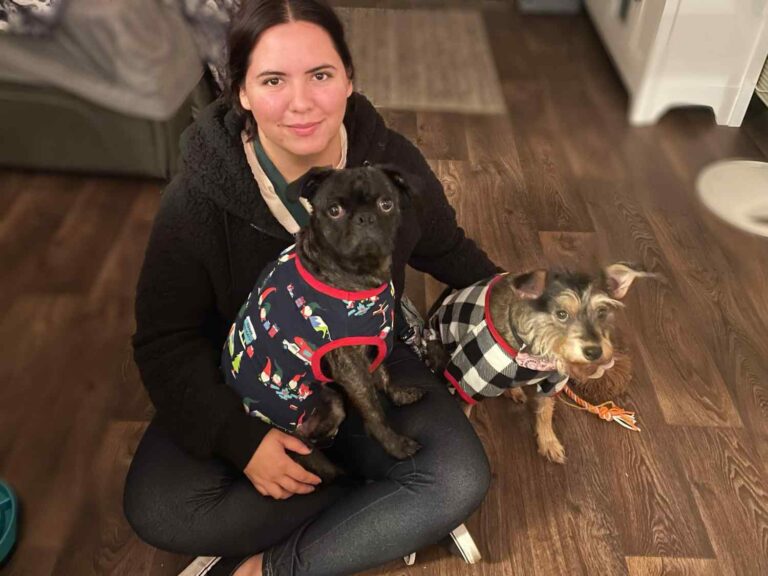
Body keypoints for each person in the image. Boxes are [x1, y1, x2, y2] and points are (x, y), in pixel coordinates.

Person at [123, 1, 498, 574]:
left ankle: (275, 565)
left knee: (459, 476)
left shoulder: (390, 160)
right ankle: (377, 502)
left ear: (349, 77)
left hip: (370, 361)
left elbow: (446, 248)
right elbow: (164, 341)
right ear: (241, 91)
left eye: (321, 75)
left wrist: (521, 306)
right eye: (273, 80)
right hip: (254, 381)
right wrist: (240, 440)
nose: (301, 102)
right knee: (158, 508)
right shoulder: (196, 198)